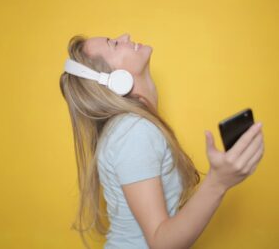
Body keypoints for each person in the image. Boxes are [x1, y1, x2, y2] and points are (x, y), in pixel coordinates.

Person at [59, 33, 265, 249]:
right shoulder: (133, 131)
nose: (125, 36)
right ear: (116, 80)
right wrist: (218, 182)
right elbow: (161, 243)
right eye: (114, 44)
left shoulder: (132, 128)